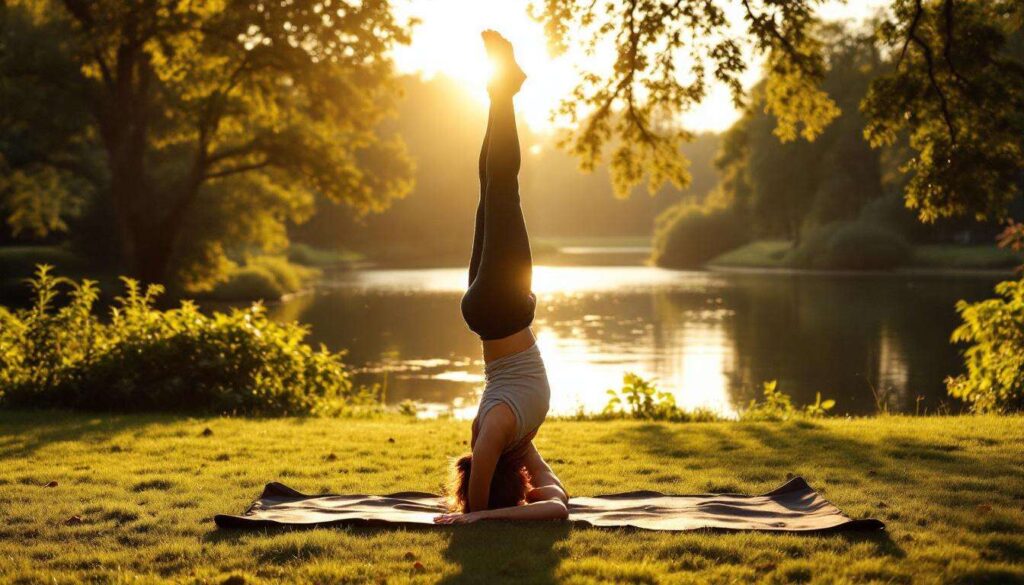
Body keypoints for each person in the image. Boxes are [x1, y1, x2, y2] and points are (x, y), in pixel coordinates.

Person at [433, 30, 568, 525]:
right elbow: (555, 501)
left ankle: (504, 88)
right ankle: (501, 90)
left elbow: (555, 504)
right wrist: (484, 512)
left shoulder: (503, 433)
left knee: (499, 187)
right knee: (491, 185)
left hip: (503, 308)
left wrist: (476, 516)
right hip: (491, 314)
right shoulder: (513, 442)